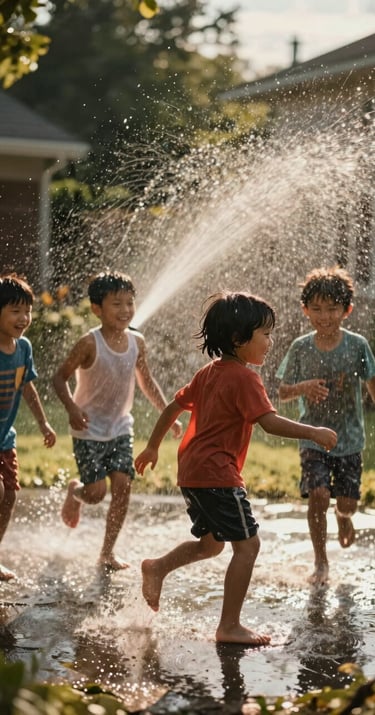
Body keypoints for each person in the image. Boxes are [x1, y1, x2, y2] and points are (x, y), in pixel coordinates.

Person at [135, 291, 337, 645]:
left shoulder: (208, 372)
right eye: (264, 334)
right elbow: (270, 423)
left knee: (211, 544)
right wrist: (314, 432)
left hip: (193, 472)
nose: (270, 342)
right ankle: (229, 625)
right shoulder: (245, 378)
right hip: (217, 474)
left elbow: (172, 407)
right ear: (237, 338)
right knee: (248, 546)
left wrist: (154, 446)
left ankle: (157, 567)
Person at [53, 271, 182, 571]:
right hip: (88, 430)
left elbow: (147, 382)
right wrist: (72, 407)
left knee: (123, 486)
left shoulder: (137, 342)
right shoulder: (89, 343)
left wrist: (169, 414)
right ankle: (76, 492)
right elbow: (59, 378)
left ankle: (107, 553)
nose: (125, 310)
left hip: (121, 427)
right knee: (96, 494)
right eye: (116, 304)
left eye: (129, 303)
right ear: (97, 309)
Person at [276, 266, 375, 587]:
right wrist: (304, 387)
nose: (324, 316)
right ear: (305, 309)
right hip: (313, 437)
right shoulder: (301, 347)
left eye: (332, 309)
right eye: (316, 309)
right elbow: (282, 391)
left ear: (347, 310)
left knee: (347, 503)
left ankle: (343, 518)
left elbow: (372, 382)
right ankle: (321, 561)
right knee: (318, 494)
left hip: (349, 439)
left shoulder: (357, 345)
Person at [0, 273, 56, 581]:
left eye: (28, 310)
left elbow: (27, 387)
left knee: (9, 496)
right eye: (14, 311)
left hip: (5, 439)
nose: (24, 318)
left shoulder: (23, 348)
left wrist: (44, 422)